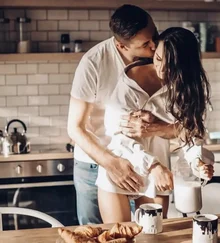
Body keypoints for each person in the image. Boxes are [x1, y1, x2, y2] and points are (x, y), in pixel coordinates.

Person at [67, 5, 179, 225]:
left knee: (149, 234)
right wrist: (111, 163)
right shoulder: (93, 63)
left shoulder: (161, 58)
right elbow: (75, 128)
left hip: (145, 159)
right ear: (121, 45)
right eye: (145, 44)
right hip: (96, 162)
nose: (154, 45)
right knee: (99, 235)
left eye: (154, 36)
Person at [96, 27, 215, 223]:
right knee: (120, 235)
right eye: (158, 59)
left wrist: (198, 161)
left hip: (159, 175)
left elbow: (190, 133)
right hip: (123, 168)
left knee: (153, 236)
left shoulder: (187, 87)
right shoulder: (129, 83)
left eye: (170, 67)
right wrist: (152, 166)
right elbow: (119, 138)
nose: (161, 70)